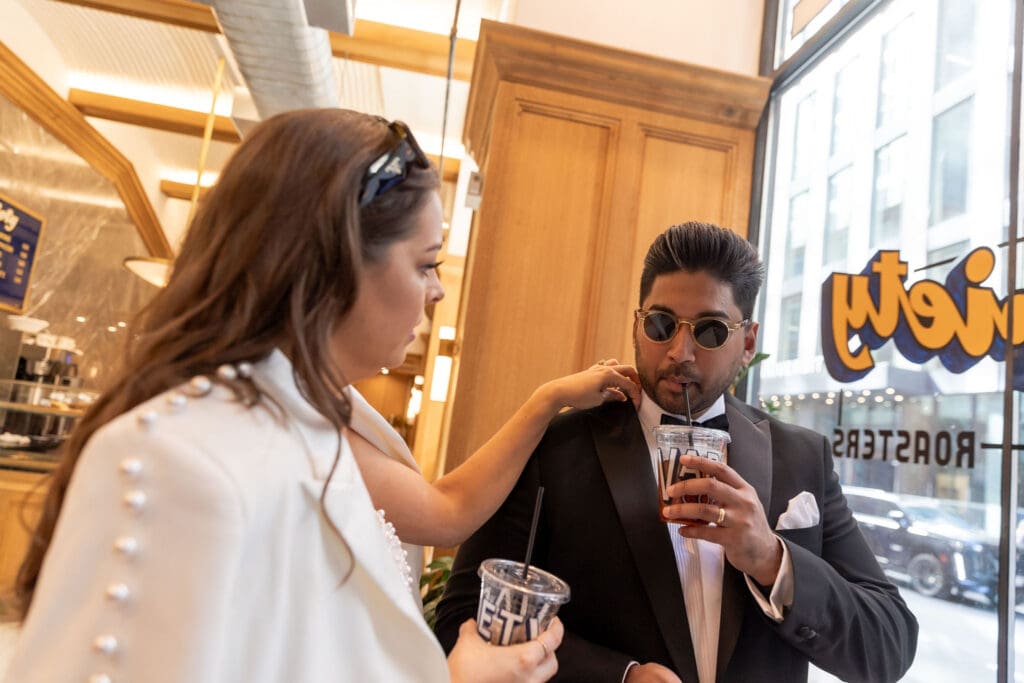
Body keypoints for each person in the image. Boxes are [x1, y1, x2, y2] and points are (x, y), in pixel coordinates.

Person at [4, 109, 641, 683]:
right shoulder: (182, 462)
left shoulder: (309, 430)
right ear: (333, 263)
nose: (437, 292)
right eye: (425, 264)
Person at [434, 221, 919, 683]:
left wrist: (772, 560)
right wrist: (617, 676)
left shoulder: (801, 456)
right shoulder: (555, 448)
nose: (680, 352)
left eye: (709, 330)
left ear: (747, 342)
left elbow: (888, 647)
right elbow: (462, 615)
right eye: (662, 324)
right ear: (637, 326)